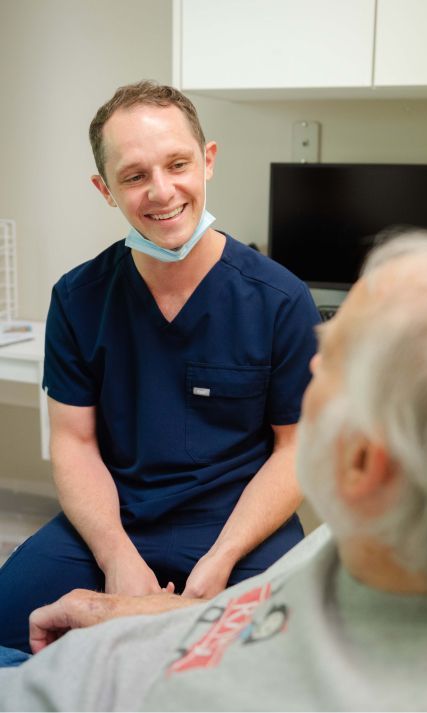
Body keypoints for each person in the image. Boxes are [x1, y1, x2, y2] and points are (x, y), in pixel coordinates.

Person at [2, 230, 427, 712]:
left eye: (332, 354)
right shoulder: (350, 552)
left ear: (362, 462)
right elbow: (252, 617)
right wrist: (127, 611)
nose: (310, 360)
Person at [0, 81, 320, 653]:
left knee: (277, 651)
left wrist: (221, 558)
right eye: (134, 176)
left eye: (178, 164)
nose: (162, 191)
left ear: (208, 160)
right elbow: (75, 443)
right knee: (8, 618)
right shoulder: (79, 298)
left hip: (238, 525)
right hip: (116, 516)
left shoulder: (278, 299)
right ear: (105, 189)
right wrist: (117, 558)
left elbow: (296, 448)